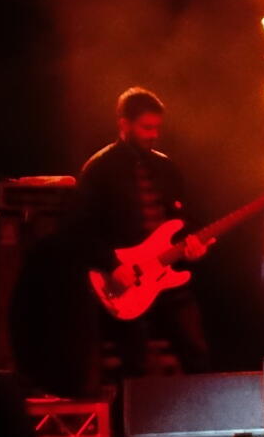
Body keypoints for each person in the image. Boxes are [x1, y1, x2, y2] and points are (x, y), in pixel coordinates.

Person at [76, 87, 211, 376]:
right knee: (135, 366)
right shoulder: (98, 170)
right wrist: (112, 265)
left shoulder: (167, 168)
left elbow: (183, 221)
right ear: (124, 124)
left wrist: (194, 247)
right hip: (124, 282)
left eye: (157, 128)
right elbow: (80, 229)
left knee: (197, 353)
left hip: (166, 277)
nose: (153, 135)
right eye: (146, 128)